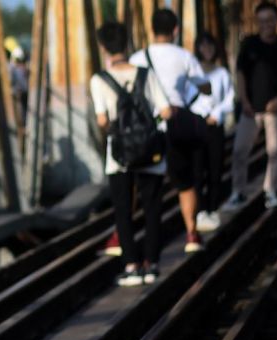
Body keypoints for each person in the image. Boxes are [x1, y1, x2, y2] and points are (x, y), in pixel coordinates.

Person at [90, 21, 172, 286]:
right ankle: (151, 264)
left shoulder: (99, 80)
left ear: (104, 47)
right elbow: (166, 110)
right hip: (150, 150)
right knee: (152, 208)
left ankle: (131, 265)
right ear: (127, 44)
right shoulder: (146, 74)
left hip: (120, 155)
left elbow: (102, 120)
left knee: (123, 210)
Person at [130, 8, 211, 253]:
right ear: (175, 30)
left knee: (147, 186)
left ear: (152, 29)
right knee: (185, 183)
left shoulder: (137, 58)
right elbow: (205, 87)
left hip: (148, 130)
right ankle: (191, 233)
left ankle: (132, 238)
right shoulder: (184, 56)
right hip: (176, 127)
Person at [225, 1, 277, 211]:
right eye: (261, 21)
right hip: (250, 110)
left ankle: (270, 190)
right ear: (257, 22)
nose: (266, 25)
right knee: (239, 151)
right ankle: (237, 192)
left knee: (275, 151)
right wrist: (244, 100)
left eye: (270, 20)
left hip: (275, 110)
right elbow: (240, 74)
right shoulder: (249, 45)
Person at [190, 32, 235, 233]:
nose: (206, 50)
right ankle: (200, 211)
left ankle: (213, 206)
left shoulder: (222, 73)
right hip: (197, 126)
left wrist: (216, 113)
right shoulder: (192, 73)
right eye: (202, 46)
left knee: (215, 167)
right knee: (197, 169)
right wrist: (200, 115)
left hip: (216, 125)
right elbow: (187, 98)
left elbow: (230, 98)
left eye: (210, 46)